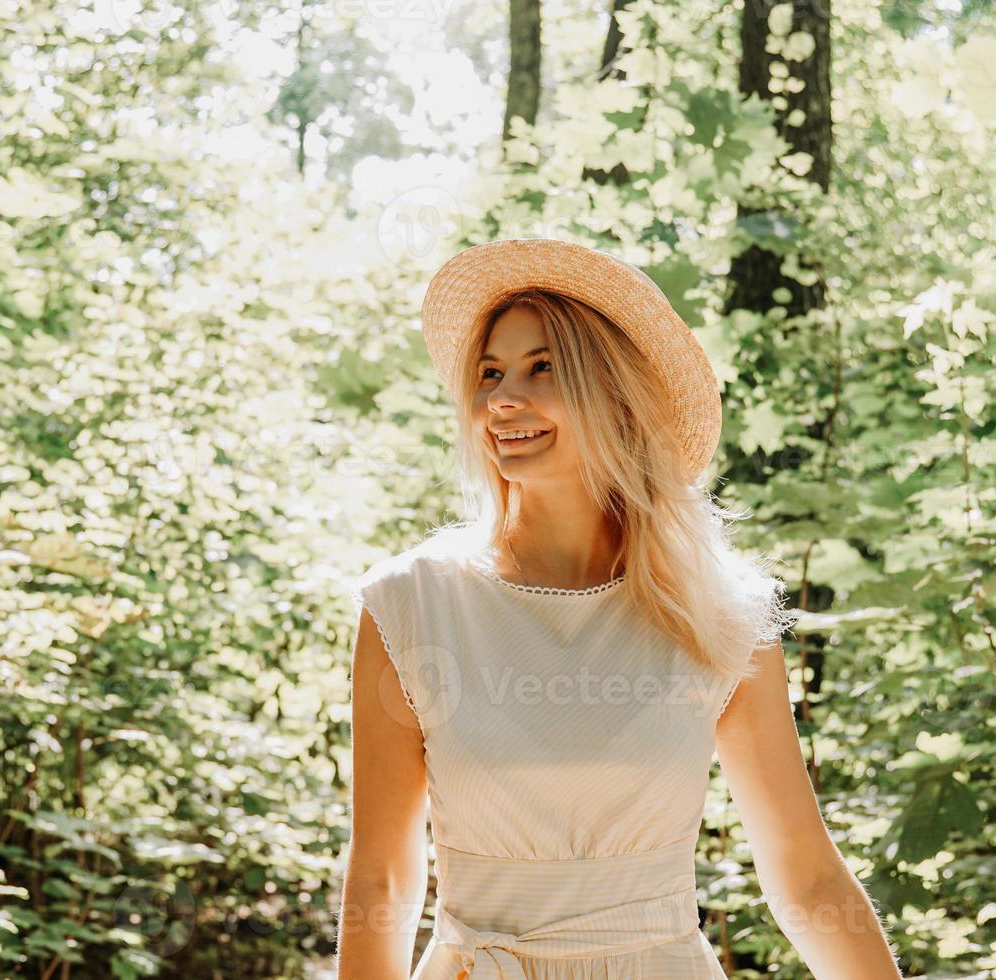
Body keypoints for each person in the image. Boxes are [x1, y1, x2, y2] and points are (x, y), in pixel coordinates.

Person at [336, 238, 903, 979]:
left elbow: (807, 879)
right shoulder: (411, 604)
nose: (503, 398)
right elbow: (382, 881)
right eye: (489, 373)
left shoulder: (721, 613)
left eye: (543, 368)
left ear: (614, 394)